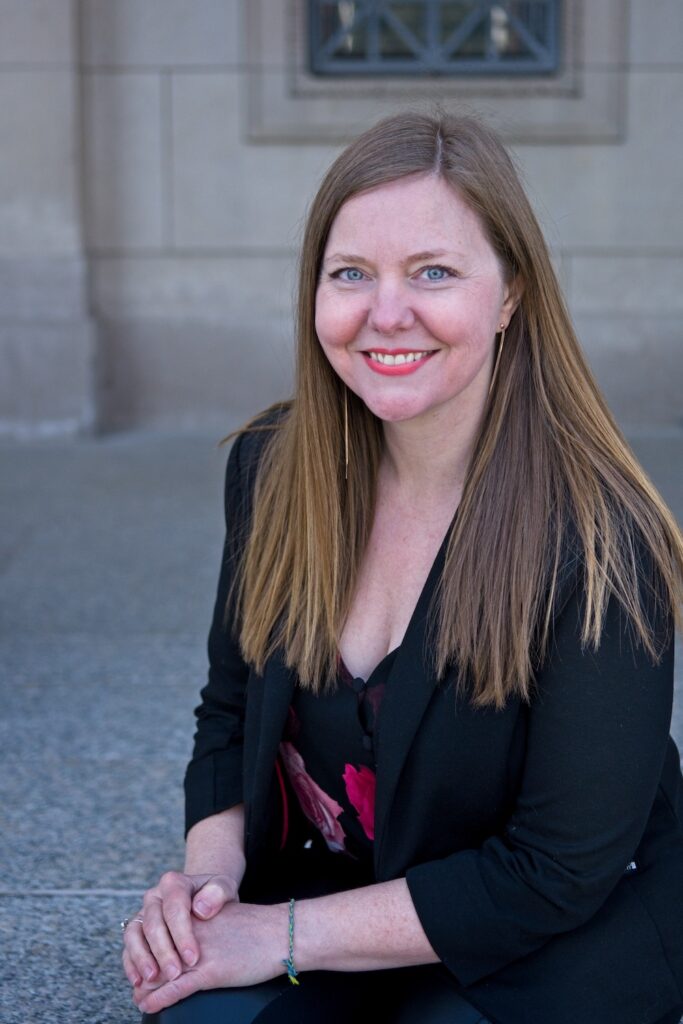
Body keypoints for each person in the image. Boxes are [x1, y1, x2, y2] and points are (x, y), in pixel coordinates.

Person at [121, 111, 683, 1024]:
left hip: (543, 940)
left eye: (433, 272)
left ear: (509, 297)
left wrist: (276, 936)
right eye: (351, 274)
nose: (386, 313)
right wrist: (207, 897)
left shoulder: (603, 541)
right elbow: (228, 713)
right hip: (333, 902)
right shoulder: (271, 465)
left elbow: (554, 869)